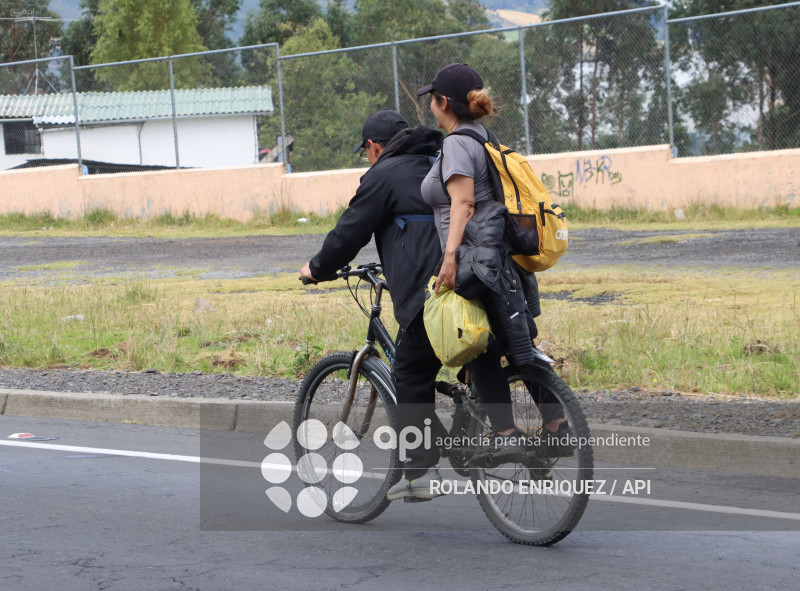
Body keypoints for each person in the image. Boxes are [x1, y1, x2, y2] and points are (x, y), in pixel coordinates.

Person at [416, 63, 570, 460]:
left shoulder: (456, 143)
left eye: (432, 99)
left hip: (475, 260)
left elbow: (464, 203)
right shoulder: (484, 137)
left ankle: (504, 433)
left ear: (443, 103)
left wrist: (448, 259)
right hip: (500, 258)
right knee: (517, 343)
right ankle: (557, 427)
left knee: (476, 342)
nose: (431, 105)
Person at [299, 110, 448, 501]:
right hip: (475, 275)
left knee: (410, 374)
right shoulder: (441, 158)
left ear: (373, 147)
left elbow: (349, 232)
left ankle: (418, 475)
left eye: (366, 152)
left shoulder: (382, 175)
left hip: (428, 289)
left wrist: (316, 269)